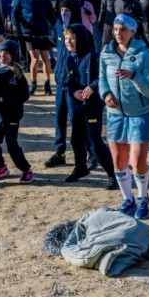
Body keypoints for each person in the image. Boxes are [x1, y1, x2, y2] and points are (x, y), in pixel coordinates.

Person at [99, 14, 149, 219]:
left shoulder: (145, 54)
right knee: (118, 161)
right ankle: (128, 199)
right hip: (115, 115)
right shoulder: (106, 52)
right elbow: (102, 80)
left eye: (123, 29)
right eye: (116, 29)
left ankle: (142, 198)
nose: (118, 33)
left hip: (141, 114)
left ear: (133, 31)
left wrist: (134, 76)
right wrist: (106, 95)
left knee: (137, 161)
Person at [56, 24, 114, 187]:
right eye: (66, 38)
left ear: (80, 39)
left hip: (93, 105)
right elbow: (67, 81)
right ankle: (80, 168)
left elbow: (103, 77)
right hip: (78, 105)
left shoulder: (92, 56)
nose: (69, 41)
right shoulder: (69, 58)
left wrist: (92, 87)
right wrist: (74, 92)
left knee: (94, 142)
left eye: (72, 38)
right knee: (76, 140)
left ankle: (113, 173)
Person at [0, 39, 35, 184]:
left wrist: (6, 98)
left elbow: (24, 94)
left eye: (6, 53)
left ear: (12, 55)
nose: (2, 55)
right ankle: (1, 167)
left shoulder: (17, 74)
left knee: (11, 144)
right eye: (0, 52)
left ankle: (26, 170)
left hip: (12, 115)